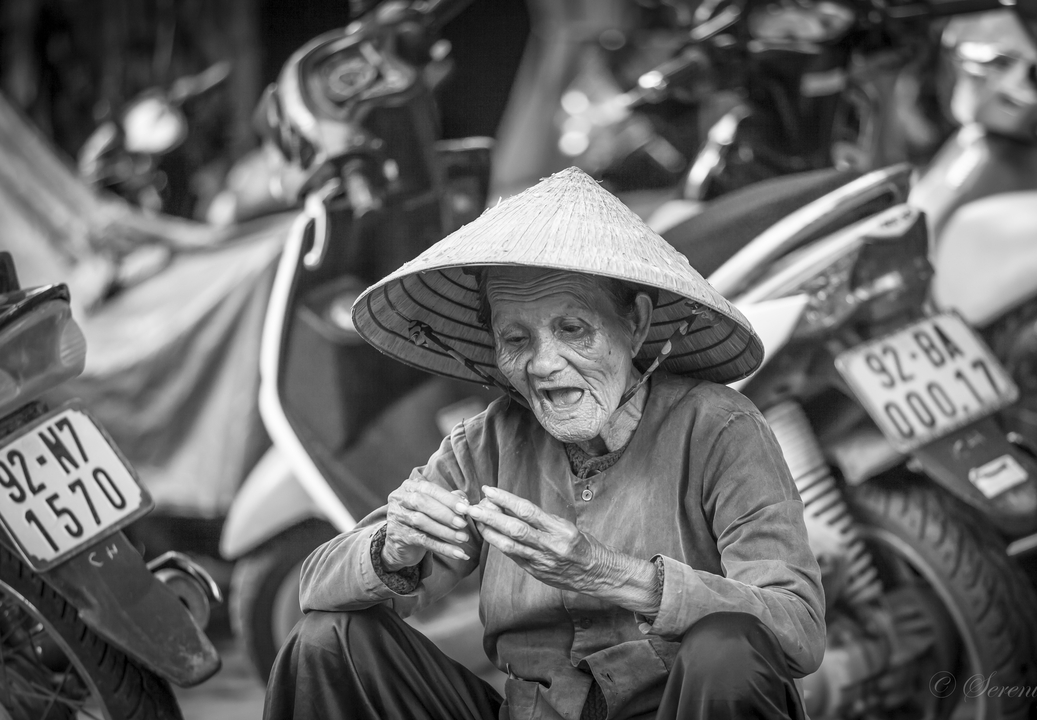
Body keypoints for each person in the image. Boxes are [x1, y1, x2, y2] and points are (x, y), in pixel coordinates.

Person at [263, 167, 825, 720]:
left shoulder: (721, 428)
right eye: (516, 338)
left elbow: (796, 627)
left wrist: (610, 574)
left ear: (637, 323)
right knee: (328, 637)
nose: (544, 363)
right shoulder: (488, 441)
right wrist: (392, 549)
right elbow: (314, 586)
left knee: (728, 650)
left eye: (573, 329)